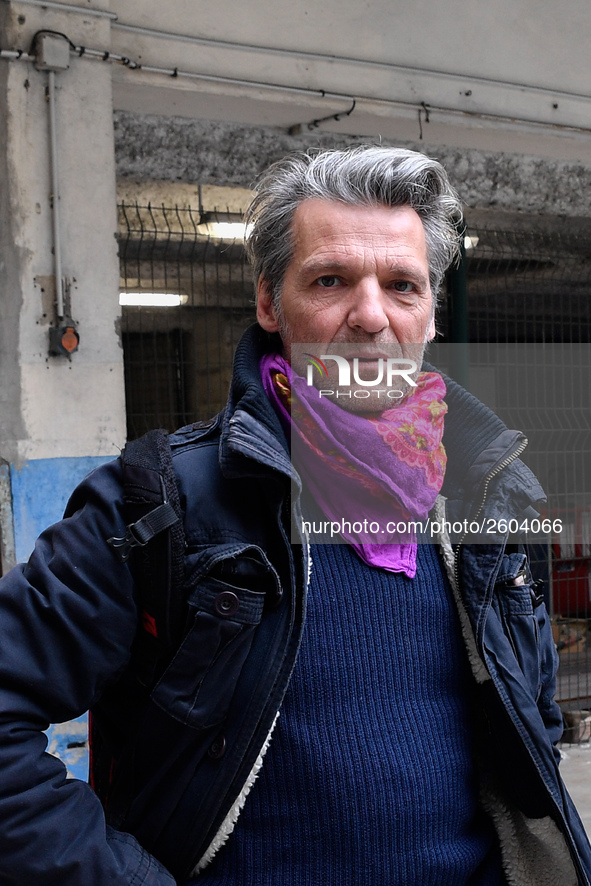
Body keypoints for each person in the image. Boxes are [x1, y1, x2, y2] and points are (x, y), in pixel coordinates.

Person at [0, 145, 589, 886]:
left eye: (401, 285)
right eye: (331, 280)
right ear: (269, 303)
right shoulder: (155, 505)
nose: (370, 315)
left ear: (429, 313)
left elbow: (526, 720)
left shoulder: (488, 498)